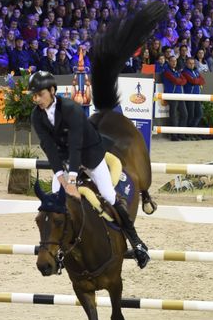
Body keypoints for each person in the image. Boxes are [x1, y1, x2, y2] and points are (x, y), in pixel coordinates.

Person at [27, 71, 150, 268]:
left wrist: (73, 182)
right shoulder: (37, 115)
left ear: (52, 91)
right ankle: (57, 249)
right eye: (33, 95)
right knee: (54, 205)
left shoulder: (71, 109)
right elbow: (49, 147)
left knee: (109, 196)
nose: (36, 99)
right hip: (65, 161)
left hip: (90, 155)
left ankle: (136, 243)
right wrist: (62, 180)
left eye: (39, 94)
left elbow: (76, 145)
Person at [161, 55, 187, 141]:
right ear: (168, 61)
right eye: (172, 61)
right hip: (171, 95)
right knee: (174, 115)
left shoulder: (177, 71)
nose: (174, 62)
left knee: (184, 114)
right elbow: (175, 80)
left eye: (175, 61)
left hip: (179, 95)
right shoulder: (166, 71)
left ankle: (181, 133)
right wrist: (179, 81)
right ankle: (174, 135)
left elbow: (184, 81)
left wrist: (179, 81)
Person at [181, 57, 204, 140]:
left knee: (199, 114)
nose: (191, 65)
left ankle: (192, 131)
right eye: (190, 63)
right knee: (191, 115)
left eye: (193, 63)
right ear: (186, 64)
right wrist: (197, 80)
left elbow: (202, 81)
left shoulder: (196, 71)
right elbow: (193, 81)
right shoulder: (184, 72)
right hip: (189, 96)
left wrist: (196, 80)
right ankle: (189, 133)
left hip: (197, 95)